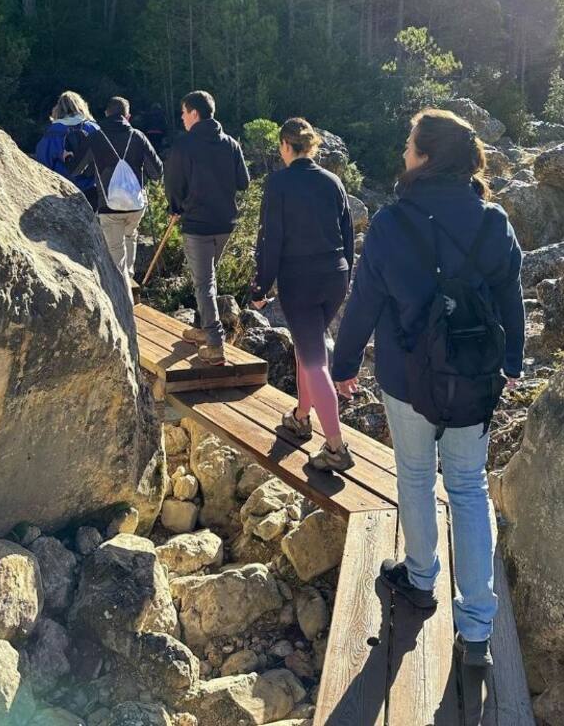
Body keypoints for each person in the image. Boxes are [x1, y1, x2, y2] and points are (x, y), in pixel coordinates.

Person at [332, 108, 524, 668]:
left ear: (427, 156)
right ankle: (478, 628)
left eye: (410, 145)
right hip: (475, 378)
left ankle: (418, 579)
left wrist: (343, 366)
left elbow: (364, 302)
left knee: (415, 477)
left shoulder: (392, 223)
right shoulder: (494, 223)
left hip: (406, 378)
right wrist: (512, 359)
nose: (403, 153)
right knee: (468, 488)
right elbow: (510, 300)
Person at [250, 117, 355, 472]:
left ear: (285, 146)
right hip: (335, 277)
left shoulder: (279, 182)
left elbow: (270, 240)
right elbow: (347, 235)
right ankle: (300, 415)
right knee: (306, 346)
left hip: (301, 280)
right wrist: (346, 276)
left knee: (314, 360)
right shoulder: (333, 181)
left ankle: (337, 448)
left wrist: (261, 287)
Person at [165, 90, 250, 364]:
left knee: (204, 283)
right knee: (208, 279)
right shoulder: (231, 144)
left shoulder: (184, 146)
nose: (182, 117)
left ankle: (215, 344)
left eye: (183, 112)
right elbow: (244, 182)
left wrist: (175, 208)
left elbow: (173, 185)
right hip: (225, 223)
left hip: (197, 224)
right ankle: (203, 330)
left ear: (194, 113)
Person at [68, 96, 163, 296]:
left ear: (106, 114)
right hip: (136, 206)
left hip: (109, 207)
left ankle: (122, 301)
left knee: (115, 255)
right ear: (127, 116)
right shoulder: (138, 137)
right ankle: (131, 288)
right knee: (130, 236)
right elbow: (157, 172)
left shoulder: (95, 138)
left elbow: (75, 169)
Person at [34, 91, 99, 207]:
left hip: (62, 192)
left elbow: (43, 163)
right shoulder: (94, 128)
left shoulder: (54, 131)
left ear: (58, 109)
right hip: (92, 191)